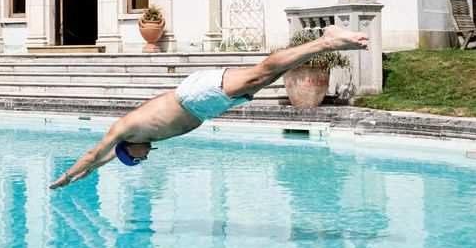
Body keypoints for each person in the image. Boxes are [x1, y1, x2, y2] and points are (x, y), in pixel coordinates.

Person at [49, 24, 370, 189]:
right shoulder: (136, 137)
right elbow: (100, 162)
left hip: (194, 96)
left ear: (129, 150)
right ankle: (320, 44)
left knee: (260, 73)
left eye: (138, 159)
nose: (144, 158)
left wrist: (66, 175)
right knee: (266, 78)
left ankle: (328, 40)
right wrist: (86, 174)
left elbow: (96, 154)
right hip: (203, 106)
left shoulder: (125, 129)